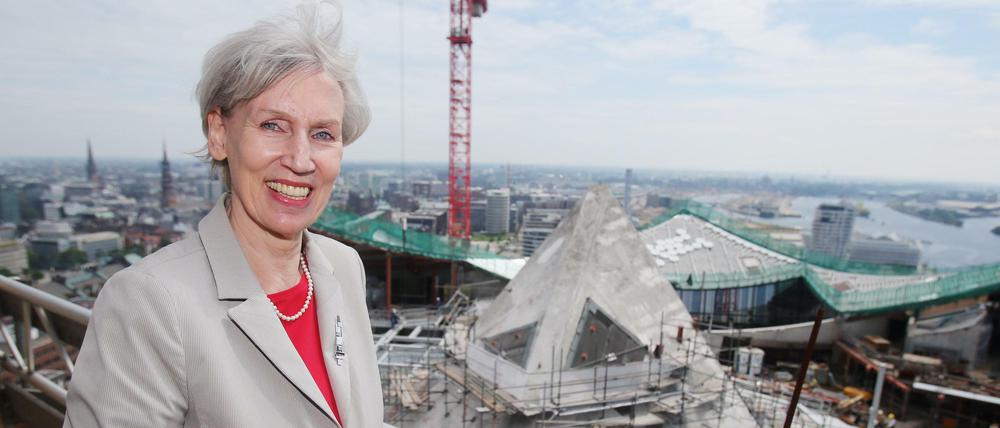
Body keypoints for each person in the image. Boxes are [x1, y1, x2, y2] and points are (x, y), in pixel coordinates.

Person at [64, 3, 383, 427]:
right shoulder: (148, 302)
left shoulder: (343, 267)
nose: (301, 159)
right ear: (219, 134)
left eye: (323, 134)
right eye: (274, 125)